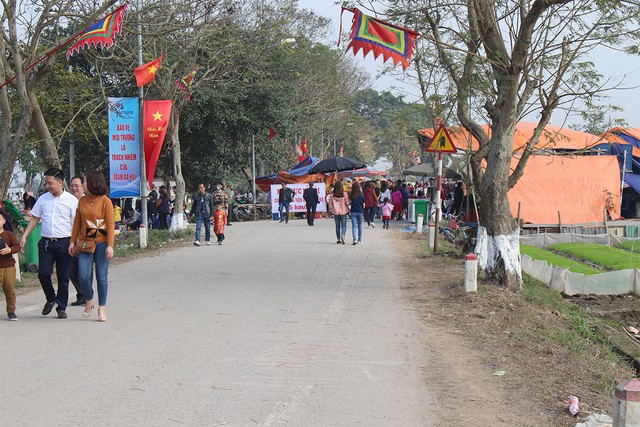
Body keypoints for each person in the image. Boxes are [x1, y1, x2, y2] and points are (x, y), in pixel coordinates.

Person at [20, 168, 78, 319]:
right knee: (43, 273)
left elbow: (76, 223)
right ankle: (51, 298)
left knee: (63, 277)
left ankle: (61, 307)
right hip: (46, 242)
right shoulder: (43, 199)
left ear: (60, 182)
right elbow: (35, 218)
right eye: (46, 183)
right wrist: (24, 236)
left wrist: (75, 242)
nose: (48, 186)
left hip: (65, 242)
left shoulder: (71, 201)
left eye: (50, 183)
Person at [69, 171, 115, 322]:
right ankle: (89, 299)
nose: (82, 185)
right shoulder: (82, 201)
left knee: (101, 276)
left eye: (85, 181)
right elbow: (77, 223)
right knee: (82, 275)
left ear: (93, 183)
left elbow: (110, 225)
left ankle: (102, 308)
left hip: (102, 244)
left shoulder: (105, 201)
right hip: (85, 243)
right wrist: (72, 242)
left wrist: (110, 245)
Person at [68, 176, 88, 306]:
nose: (74, 188)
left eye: (77, 186)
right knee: (71, 270)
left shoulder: (87, 202)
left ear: (82, 186)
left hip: (86, 240)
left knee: (85, 271)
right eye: (72, 186)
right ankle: (82, 295)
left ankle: (87, 296)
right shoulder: (68, 201)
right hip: (71, 240)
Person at [0, 214, 20, 320]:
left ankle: (11, 311)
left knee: (10, 290)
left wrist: (9, 250)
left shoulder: (9, 235)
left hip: (8, 266)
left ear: (3, 221)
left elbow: (17, 247)